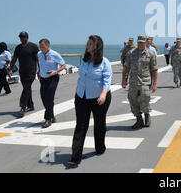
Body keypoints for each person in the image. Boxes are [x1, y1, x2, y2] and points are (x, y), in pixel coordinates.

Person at [68, 35, 112, 166]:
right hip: (82, 97)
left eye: (90, 44)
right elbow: (82, 77)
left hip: (100, 98)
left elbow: (107, 80)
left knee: (99, 124)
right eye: (87, 43)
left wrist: (103, 94)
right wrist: (77, 91)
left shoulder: (104, 62)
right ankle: (76, 156)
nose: (88, 46)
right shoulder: (84, 61)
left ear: (97, 46)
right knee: (81, 126)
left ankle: (100, 148)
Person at [122, 35, 158, 130]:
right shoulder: (131, 53)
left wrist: (154, 84)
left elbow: (154, 69)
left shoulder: (150, 53)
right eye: (139, 42)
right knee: (132, 99)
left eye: (142, 42)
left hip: (145, 81)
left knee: (145, 98)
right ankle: (139, 119)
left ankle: (147, 115)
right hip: (133, 81)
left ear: (146, 42)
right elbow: (126, 67)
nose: (140, 44)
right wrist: (124, 81)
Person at [9, 32, 39, 117]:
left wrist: (40, 70)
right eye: (20, 37)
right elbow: (14, 59)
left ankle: (23, 106)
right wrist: (10, 69)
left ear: (27, 37)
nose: (21, 39)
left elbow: (38, 59)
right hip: (22, 72)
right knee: (27, 88)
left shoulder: (33, 46)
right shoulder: (18, 48)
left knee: (26, 88)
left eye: (23, 37)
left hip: (31, 71)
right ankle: (31, 105)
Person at [37, 39, 66, 128]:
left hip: (53, 78)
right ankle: (52, 116)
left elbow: (63, 65)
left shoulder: (54, 54)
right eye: (40, 46)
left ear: (47, 46)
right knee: (44, 98)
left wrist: (56, 71)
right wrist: (39, 72)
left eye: (43, 46)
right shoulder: (39, 54)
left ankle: (47, 119)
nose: (41, 48)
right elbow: (40, 63)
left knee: (49, 98)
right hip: (43, 79)